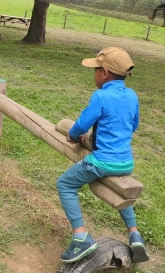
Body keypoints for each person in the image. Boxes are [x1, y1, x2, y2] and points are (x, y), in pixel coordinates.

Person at [56, 47, 150, 264]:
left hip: (101, 162)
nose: (95, 74)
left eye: (96, 70)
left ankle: (81, 237)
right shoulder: (132, 95)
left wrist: (73, 135)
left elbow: (81, 125)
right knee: (123, 194)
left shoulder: (101, 95)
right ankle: (135, 235)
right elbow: (133, 124)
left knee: (65, 184)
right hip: (126, 162)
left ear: (105, 73)